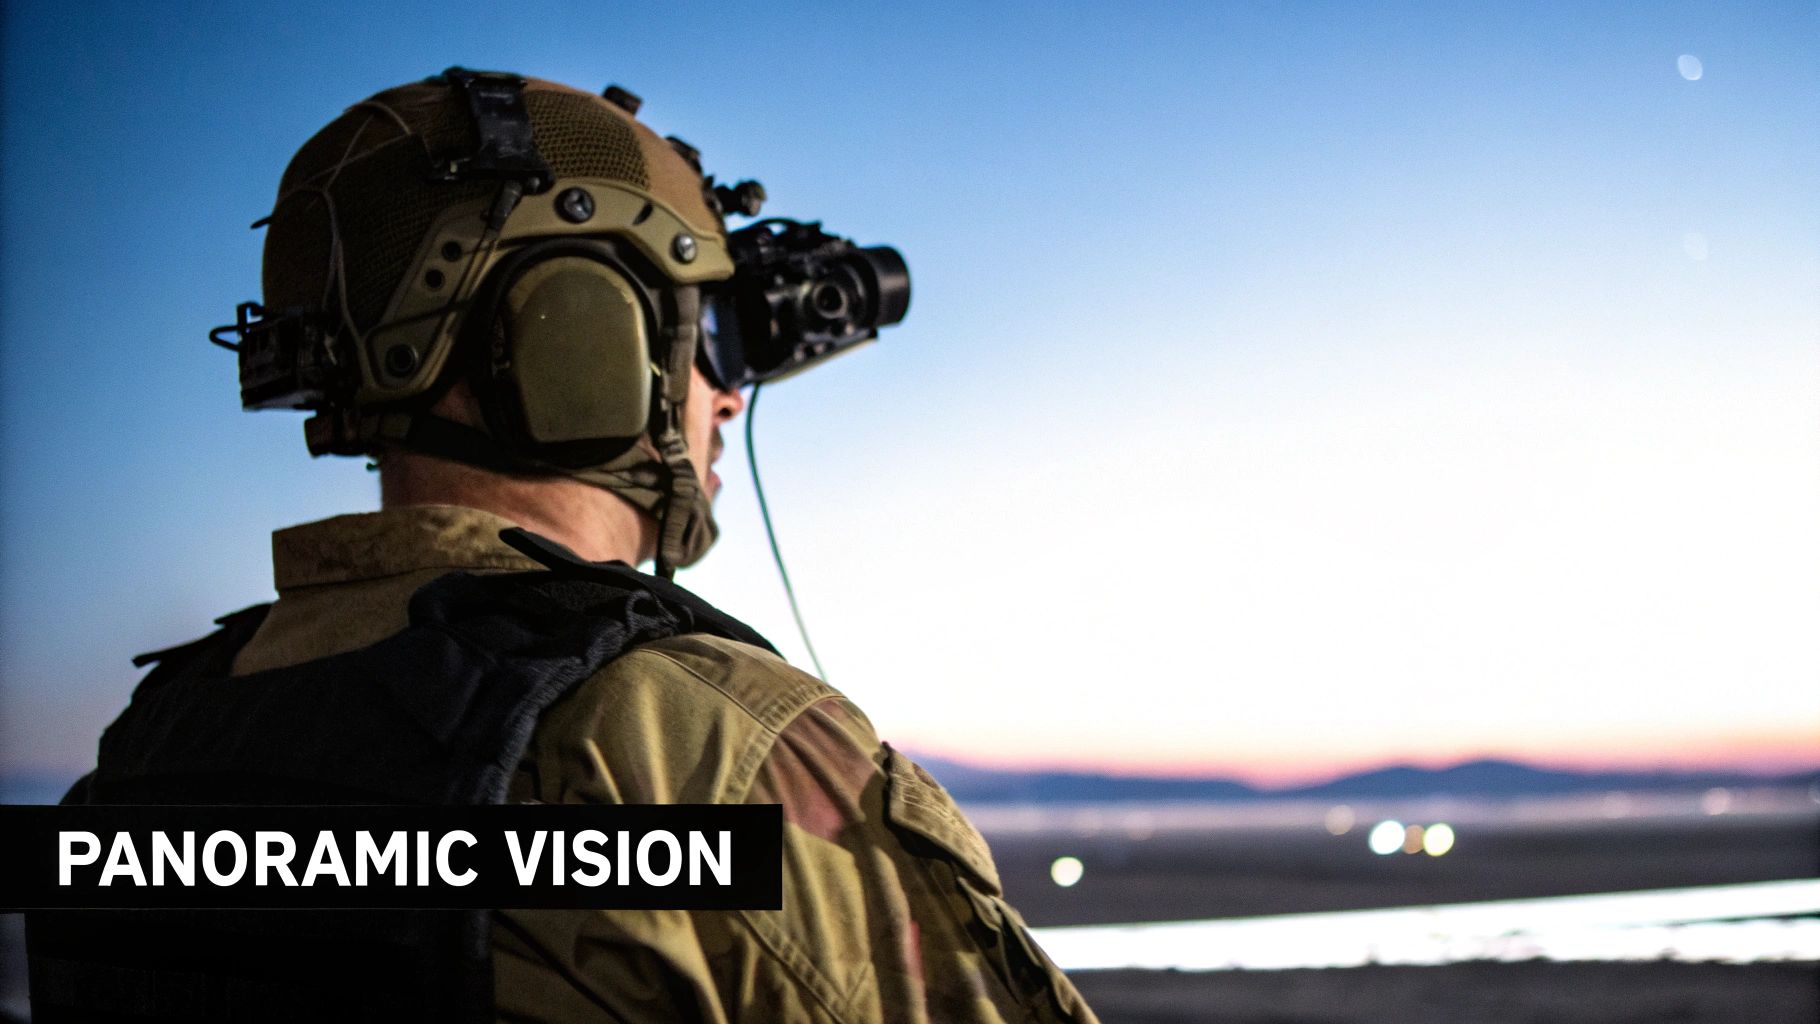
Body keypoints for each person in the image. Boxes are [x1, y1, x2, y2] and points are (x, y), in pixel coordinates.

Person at [27, 69, 1099, 1023]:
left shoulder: (151, 749)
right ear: (584, 329)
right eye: (705, 335)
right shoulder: (698, 752)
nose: (727, 396)